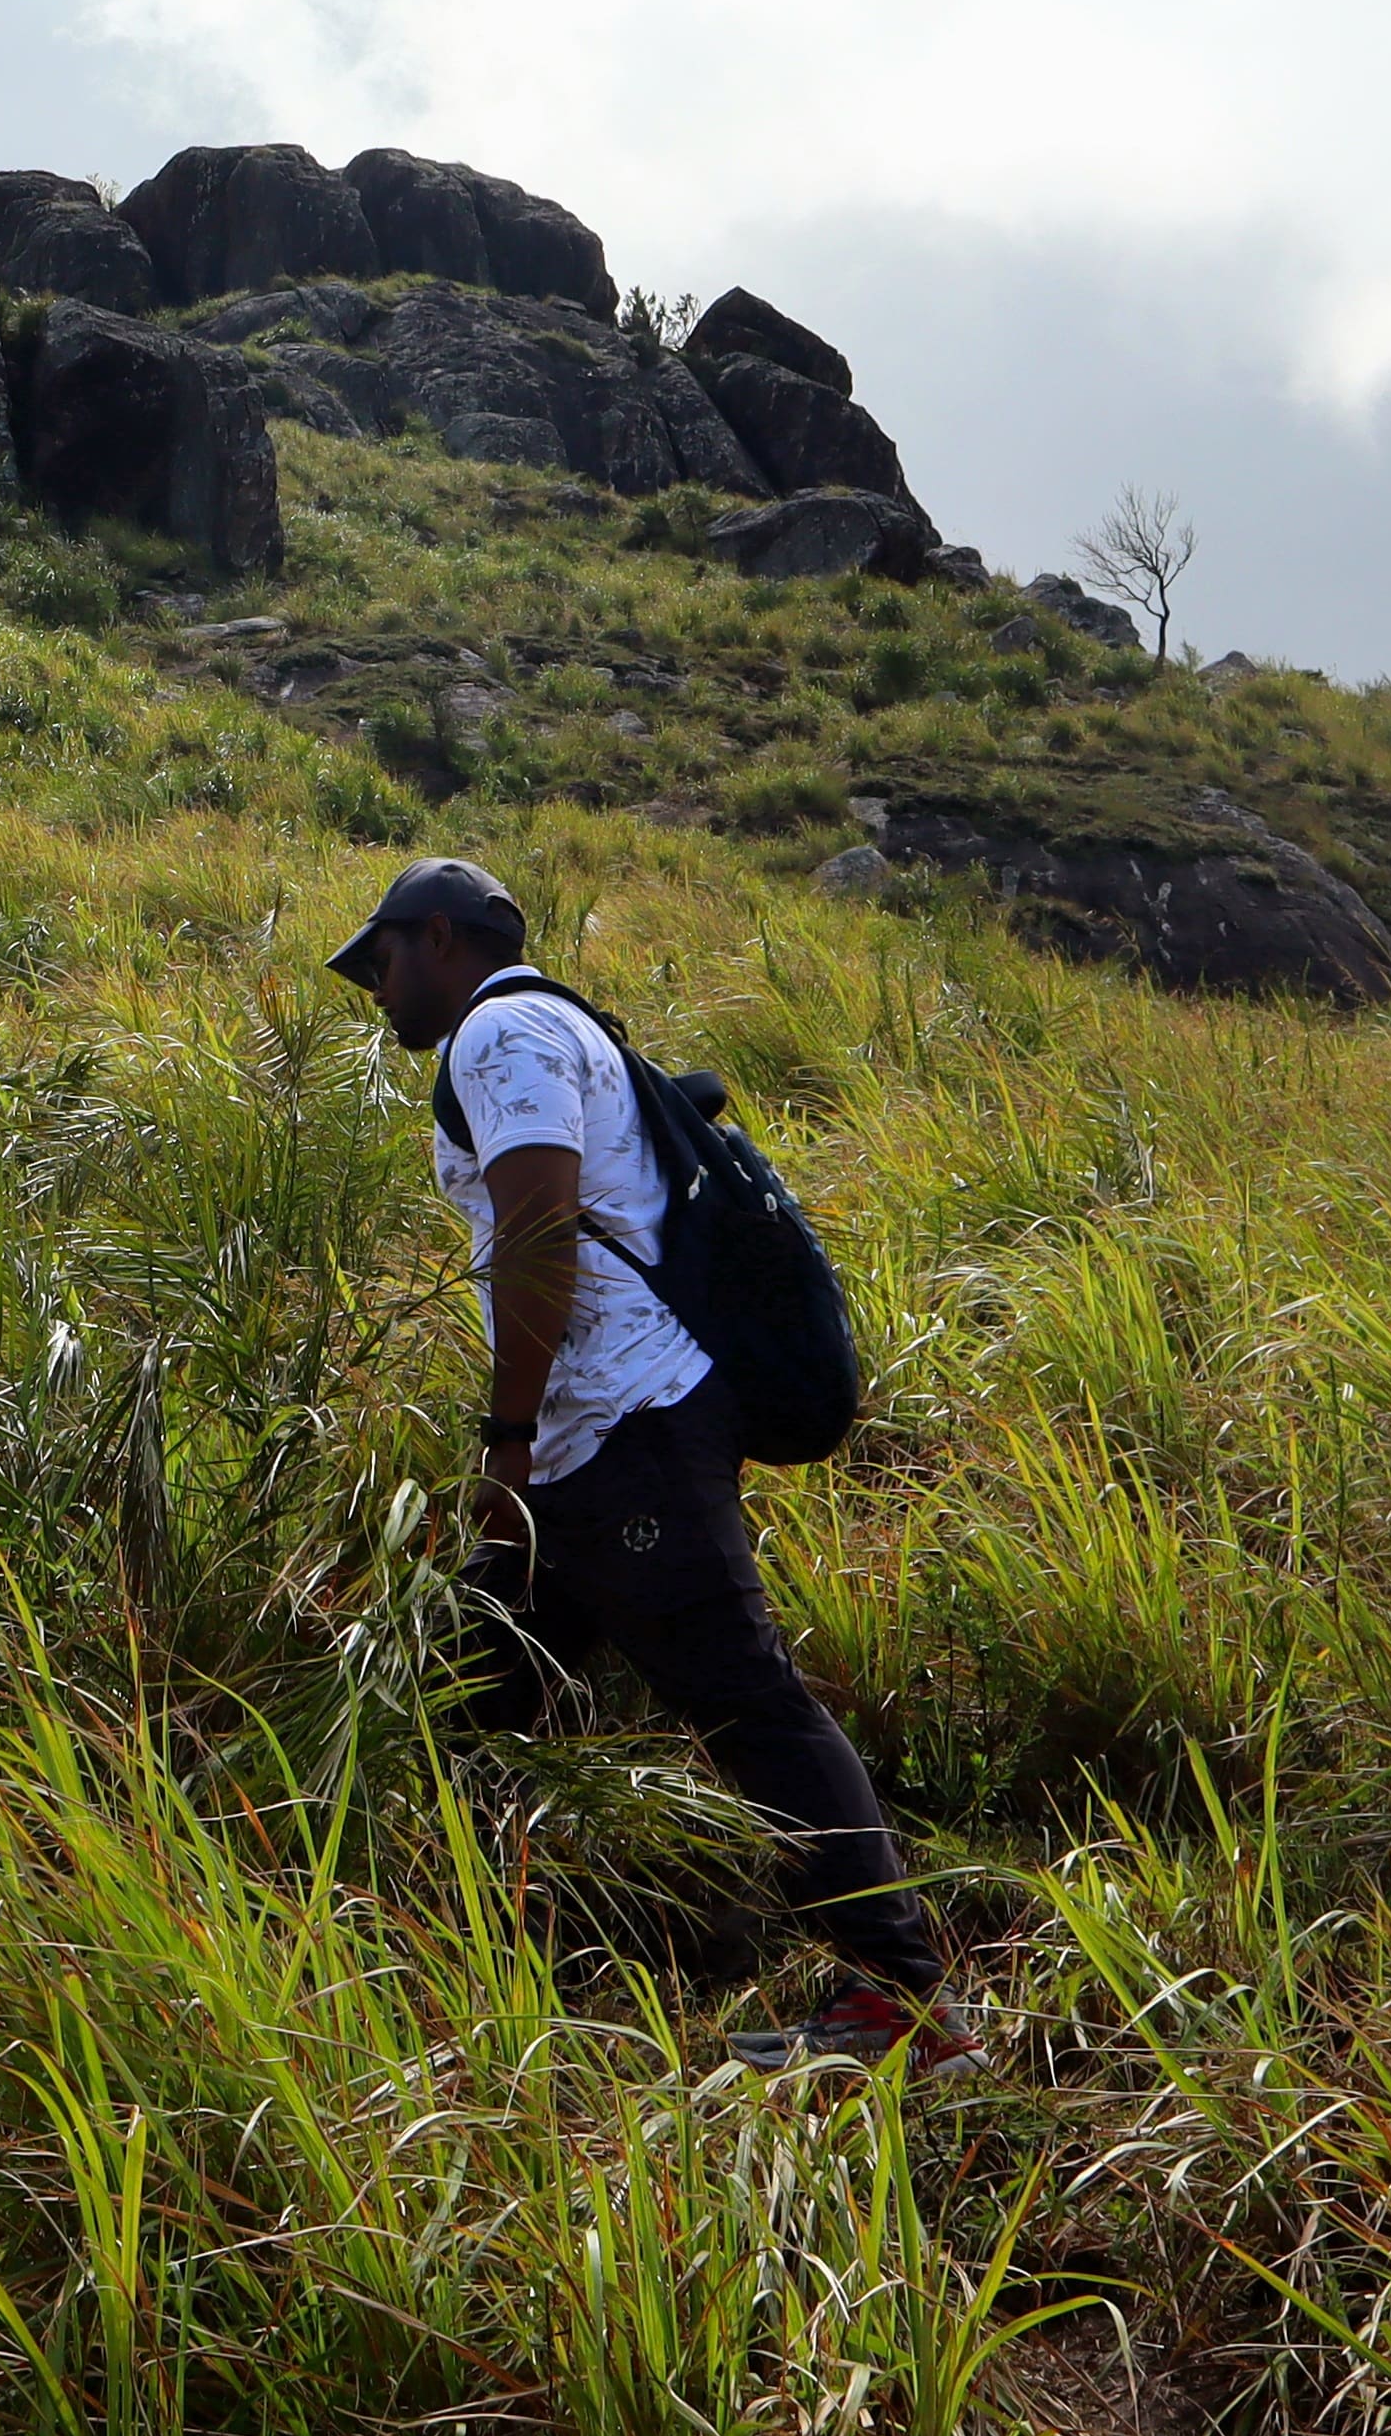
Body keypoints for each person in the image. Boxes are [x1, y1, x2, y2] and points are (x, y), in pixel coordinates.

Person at [330, 856, 968, 2075]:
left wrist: (504, 1446)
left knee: (749, 1701)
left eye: (385, 956)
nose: (377, 986)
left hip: (620, 1431)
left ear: (447, 939)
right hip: (596, 1442)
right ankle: (457, 1967)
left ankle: (905, 2003)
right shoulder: (557, 1028)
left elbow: (535, 1234)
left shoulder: (502, 1027)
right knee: (480, 1696)